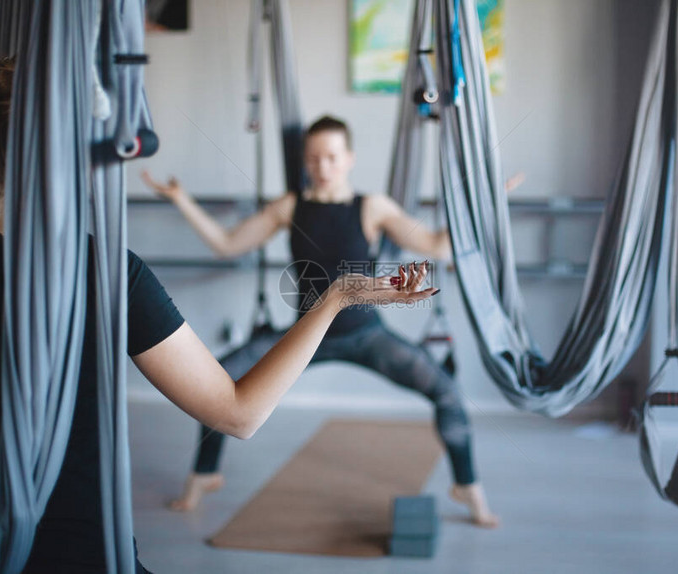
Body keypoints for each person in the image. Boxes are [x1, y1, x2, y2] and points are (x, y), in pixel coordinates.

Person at [0, 63, 435, 573]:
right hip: (76, 549)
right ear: (75, 158)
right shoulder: (108, 275)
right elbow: (239, 414)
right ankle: (203, 477)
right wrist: (338, 296)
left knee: (442, 393)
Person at [141, 115, 500, 529]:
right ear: (305, 162)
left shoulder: (373, 206)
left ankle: (468, 488)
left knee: (449, 393)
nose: (322, 167)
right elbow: (227, 244)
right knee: (217, 384)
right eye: (314, 159)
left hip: (365, 334)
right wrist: (181, 198)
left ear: (348, 159)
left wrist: (482, 206)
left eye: (331, 157)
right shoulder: (290, 206)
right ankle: (205, 475)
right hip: (304, 337)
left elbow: (437, 245)